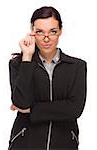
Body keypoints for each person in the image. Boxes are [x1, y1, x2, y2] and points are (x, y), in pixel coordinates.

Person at [8, 6, 87, 150]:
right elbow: (22, 103)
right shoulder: (19, 64)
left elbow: (74, 109)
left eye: (53, 32)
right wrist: (27, 58)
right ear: (32, 32)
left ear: (60, 31)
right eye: (40, 32)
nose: (46, 38)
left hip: (64, 144)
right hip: (25, 144)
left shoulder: (77, 66)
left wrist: (33, 110)